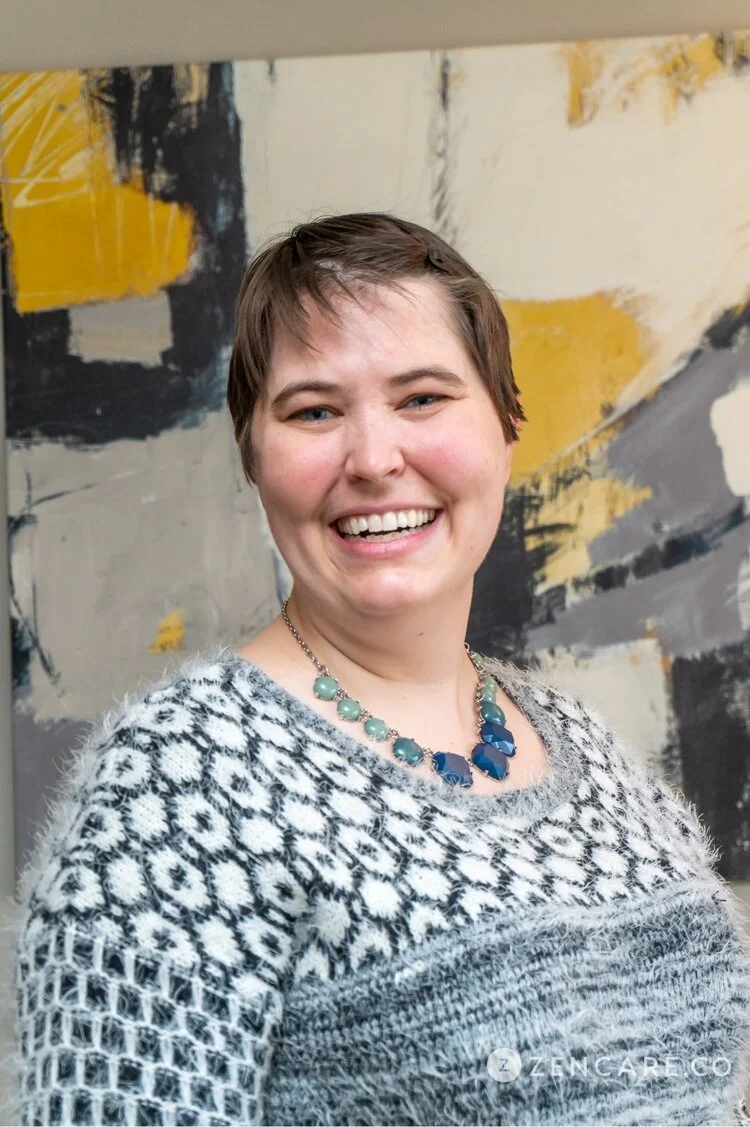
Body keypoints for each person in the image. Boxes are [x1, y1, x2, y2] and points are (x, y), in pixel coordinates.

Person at [9, 211, 750, 1126]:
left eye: (422, 398)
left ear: (507, 426)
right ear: (253, 456)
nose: (372, 459)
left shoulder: (584, 746)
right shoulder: (180, 778)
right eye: (314, 411)